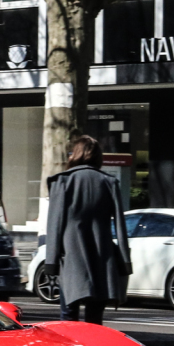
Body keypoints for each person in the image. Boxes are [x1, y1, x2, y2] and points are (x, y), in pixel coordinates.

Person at [42, 135, 131, 325]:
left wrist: (51, 261)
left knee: (68, 316)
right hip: (102, 258)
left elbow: (55, 224)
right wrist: (125, 261)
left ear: (76, 154)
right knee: (94, 319)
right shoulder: (109, 182)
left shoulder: (64, 181)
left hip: (71, 257)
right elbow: (121, 226)